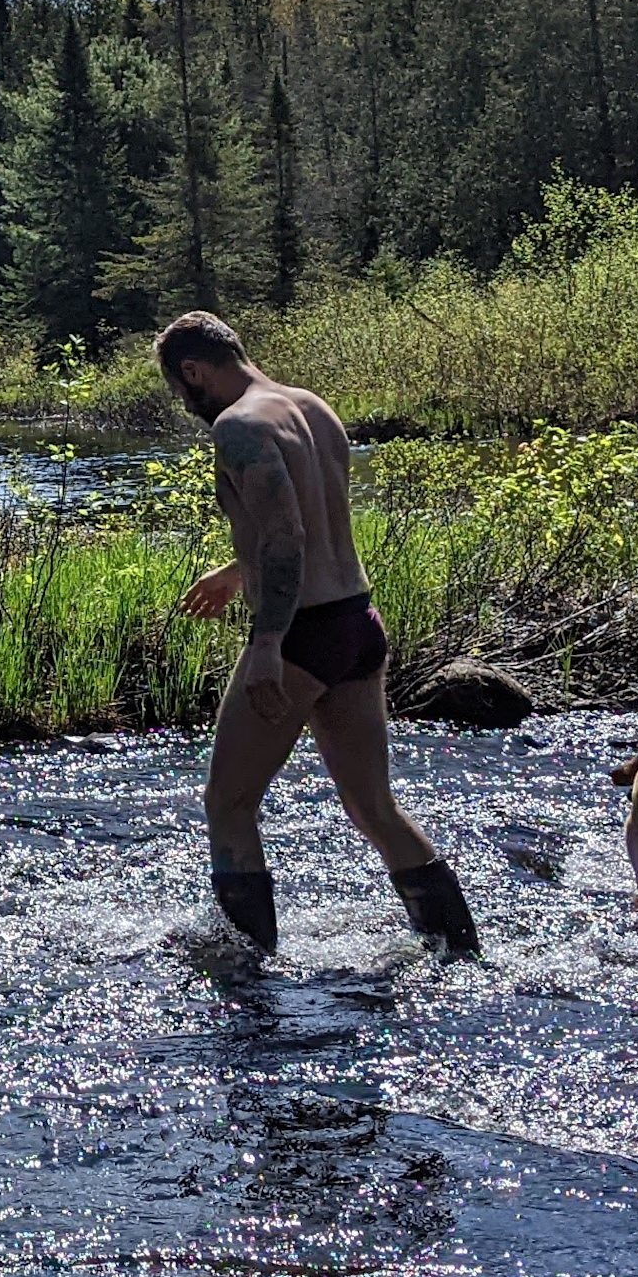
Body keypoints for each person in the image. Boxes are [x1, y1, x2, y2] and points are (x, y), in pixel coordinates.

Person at [156, 310, 480, 961]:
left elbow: (285, 538)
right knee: (373, 808)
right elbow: (313, 523)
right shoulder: (311, 407)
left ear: (193, 371)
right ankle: (458, 953)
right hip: (357, 624)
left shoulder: (237, 426)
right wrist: (234, 572)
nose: (185, 400)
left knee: (229, 800)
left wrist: (268, 646)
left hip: (301, 634)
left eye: (180, 387)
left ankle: (249, 972)